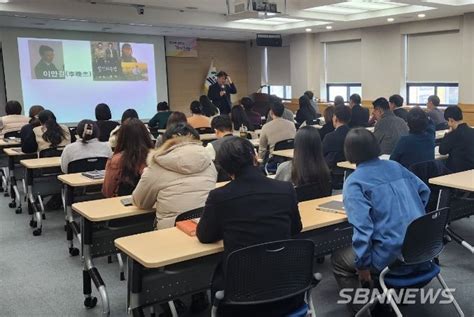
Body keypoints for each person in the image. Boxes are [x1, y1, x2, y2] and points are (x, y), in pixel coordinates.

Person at [196, 137, 303, 316]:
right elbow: (295, 229)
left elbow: (205, 235)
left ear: (224, 167)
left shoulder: (219, 196)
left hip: (241, 299)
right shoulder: (285, 189)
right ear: (254, 157)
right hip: (288, 290)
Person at [332, 128, 430, 316]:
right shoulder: (395, 166)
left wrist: (362, 266)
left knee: (339, 260)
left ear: (349, 152)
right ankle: (383, 300)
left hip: (392, 256)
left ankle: (363, 310)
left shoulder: (354, 182)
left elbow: (363, 230)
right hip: (422, 248)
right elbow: (424, 191)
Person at [132, 123, 217, 229]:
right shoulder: (208, 161)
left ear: (165, 142)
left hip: (171, 232)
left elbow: (140, 202)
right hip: (205, 226)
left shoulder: (157, 165)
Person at [102, 118, 153, 197]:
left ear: (121, 137)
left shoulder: (116, 160)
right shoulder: (155, 158)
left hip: (121, 205)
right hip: (151, 204)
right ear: (146, 135)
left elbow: (107, 191)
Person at [275, 126, 332, 194]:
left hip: (293, 204)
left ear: (296, 145)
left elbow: (276, 192)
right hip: (316, 204)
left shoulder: (285, 168)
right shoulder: (325, 170)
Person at [439, 106, 474, 172]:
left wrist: (447, 134)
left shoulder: (453, 134)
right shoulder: (472, 131)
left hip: (455, 171)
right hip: (471, 171)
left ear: (451, 120)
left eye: (447, 121)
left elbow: (442, 151)